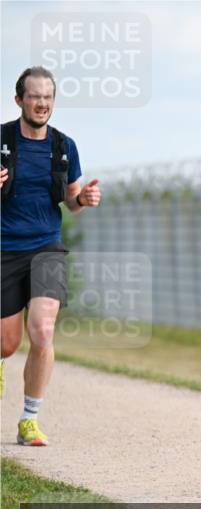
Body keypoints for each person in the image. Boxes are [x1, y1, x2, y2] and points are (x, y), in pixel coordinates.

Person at [0, 66, 102, 446]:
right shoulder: (2, 139)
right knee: (7, 343)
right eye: (35, 96)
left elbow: (71, 202)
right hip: (4, 248)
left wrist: (83, 199)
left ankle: (29, 420)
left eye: (48, 97)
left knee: (42, 331)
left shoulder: (64, 146)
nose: (42, 103)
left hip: (46, 247)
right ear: (19, 100)